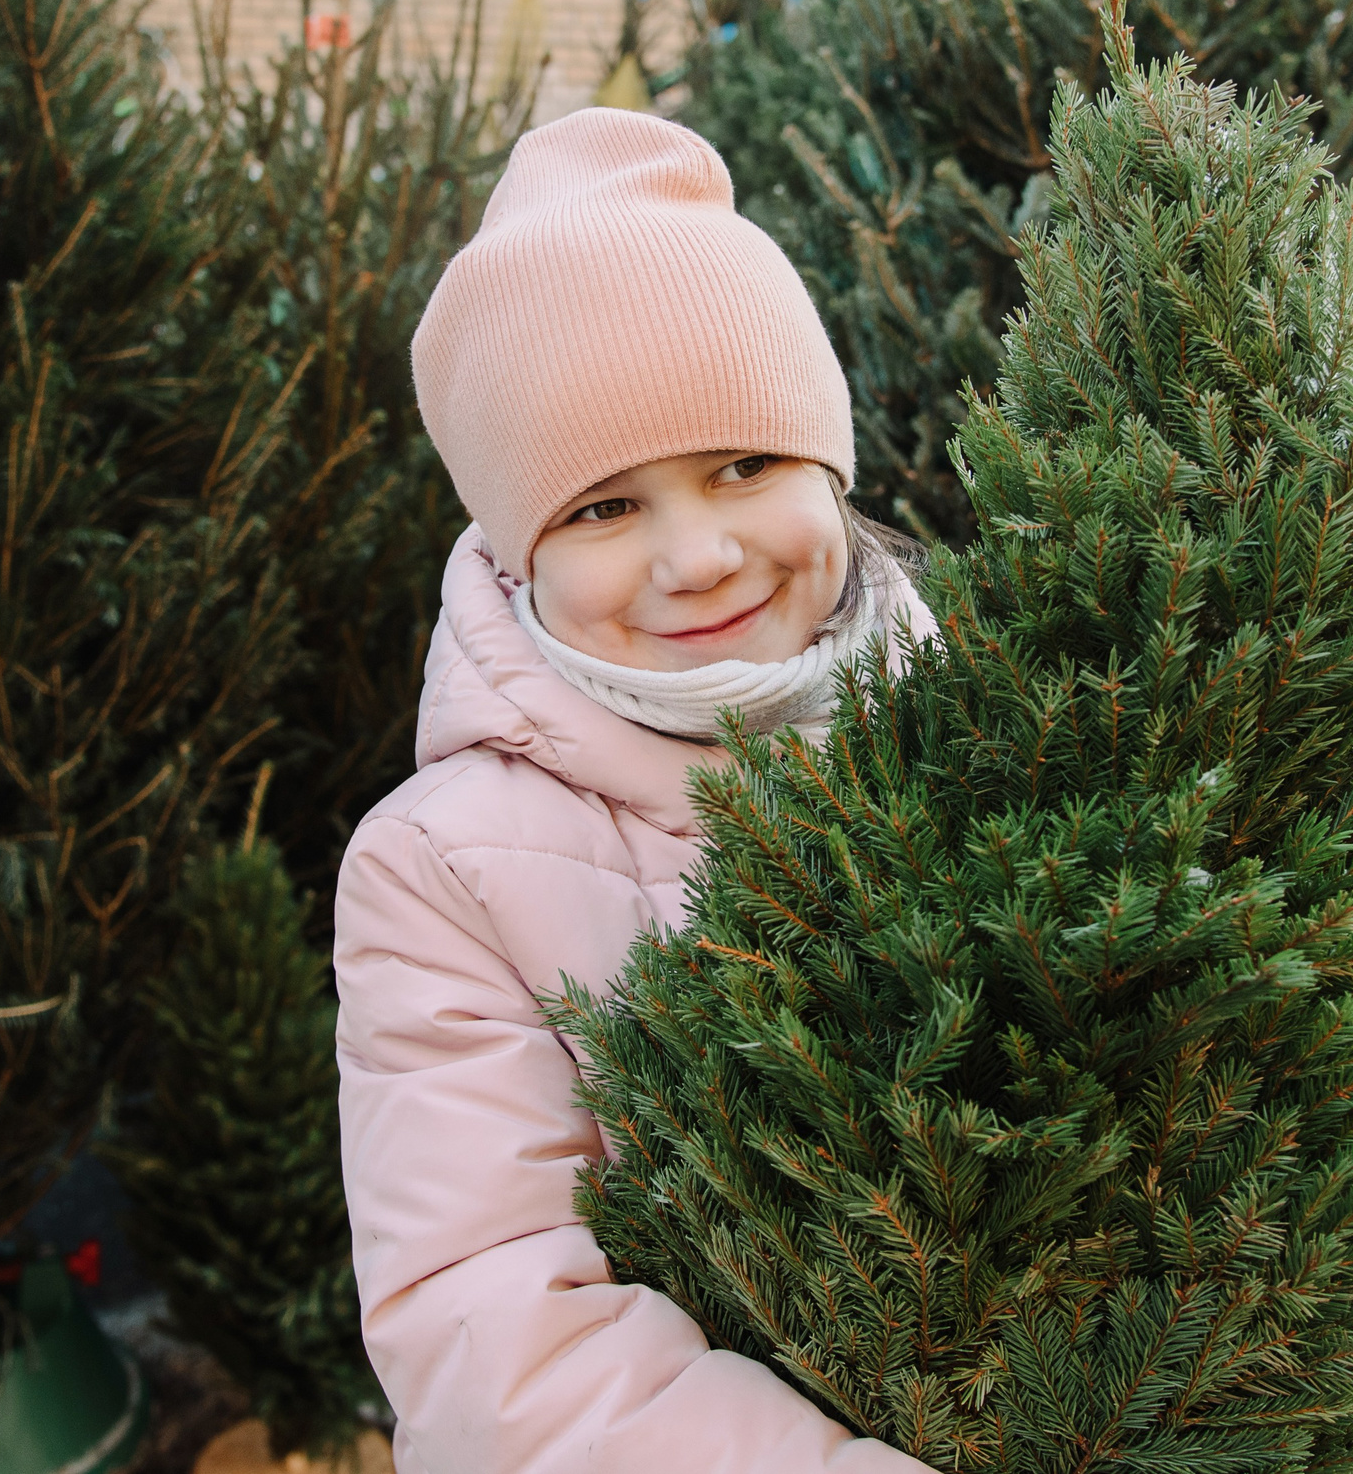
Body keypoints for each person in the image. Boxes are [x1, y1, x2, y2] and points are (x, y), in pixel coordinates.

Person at [332, 109, 936, 1474]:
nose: (700, 554)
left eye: (746, 462)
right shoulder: (443, 871)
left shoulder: (988, 727)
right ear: (516, 546)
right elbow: (500, 1351)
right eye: (604, 506)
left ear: (830, 468)